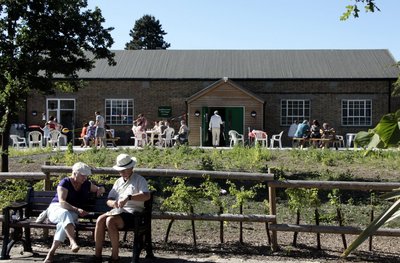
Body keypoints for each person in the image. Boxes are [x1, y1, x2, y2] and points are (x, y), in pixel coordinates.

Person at [43, 162, 105, 263]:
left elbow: (99, 188)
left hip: (71, 213)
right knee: (65, 214)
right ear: (75, 173)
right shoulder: (65, 183)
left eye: (86, 176)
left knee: (62, 224)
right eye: (82, 176)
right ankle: (72, 241)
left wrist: (101, 189)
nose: (85, 178)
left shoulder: (86, 184)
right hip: (56, 209)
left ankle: (51, 253)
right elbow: (62, 202)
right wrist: (77, 210)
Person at [94, 154, 150, 263]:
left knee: (110, 221)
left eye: (123, 170)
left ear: (131, 168)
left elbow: (146, 195)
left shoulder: (139, 180)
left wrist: (128, 198)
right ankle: (97, 256)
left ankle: (115, 256)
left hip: (134, 214)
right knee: (100, 219)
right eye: (120, 171)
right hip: (118, 211)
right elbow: (109, 199)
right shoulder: (118, 181)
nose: (121, 173)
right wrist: (113, 203)